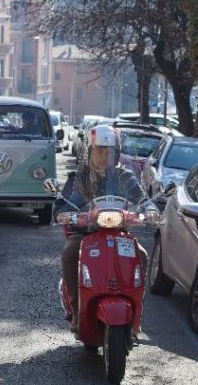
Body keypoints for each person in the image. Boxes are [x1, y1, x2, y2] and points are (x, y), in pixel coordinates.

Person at [53, 125, 156, 330]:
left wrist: (150, 209)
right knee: (71, 252)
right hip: (85, 233)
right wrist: (70, 214)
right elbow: (63, 205)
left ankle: (135, 313)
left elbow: (142, 198)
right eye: (99, 151)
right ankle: (76, 309)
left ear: (116, 154)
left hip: (119, 233)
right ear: (90, 151)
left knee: (142, 255)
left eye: (108, 152)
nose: (103, 156)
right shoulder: (79, 178)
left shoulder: (124, 176)